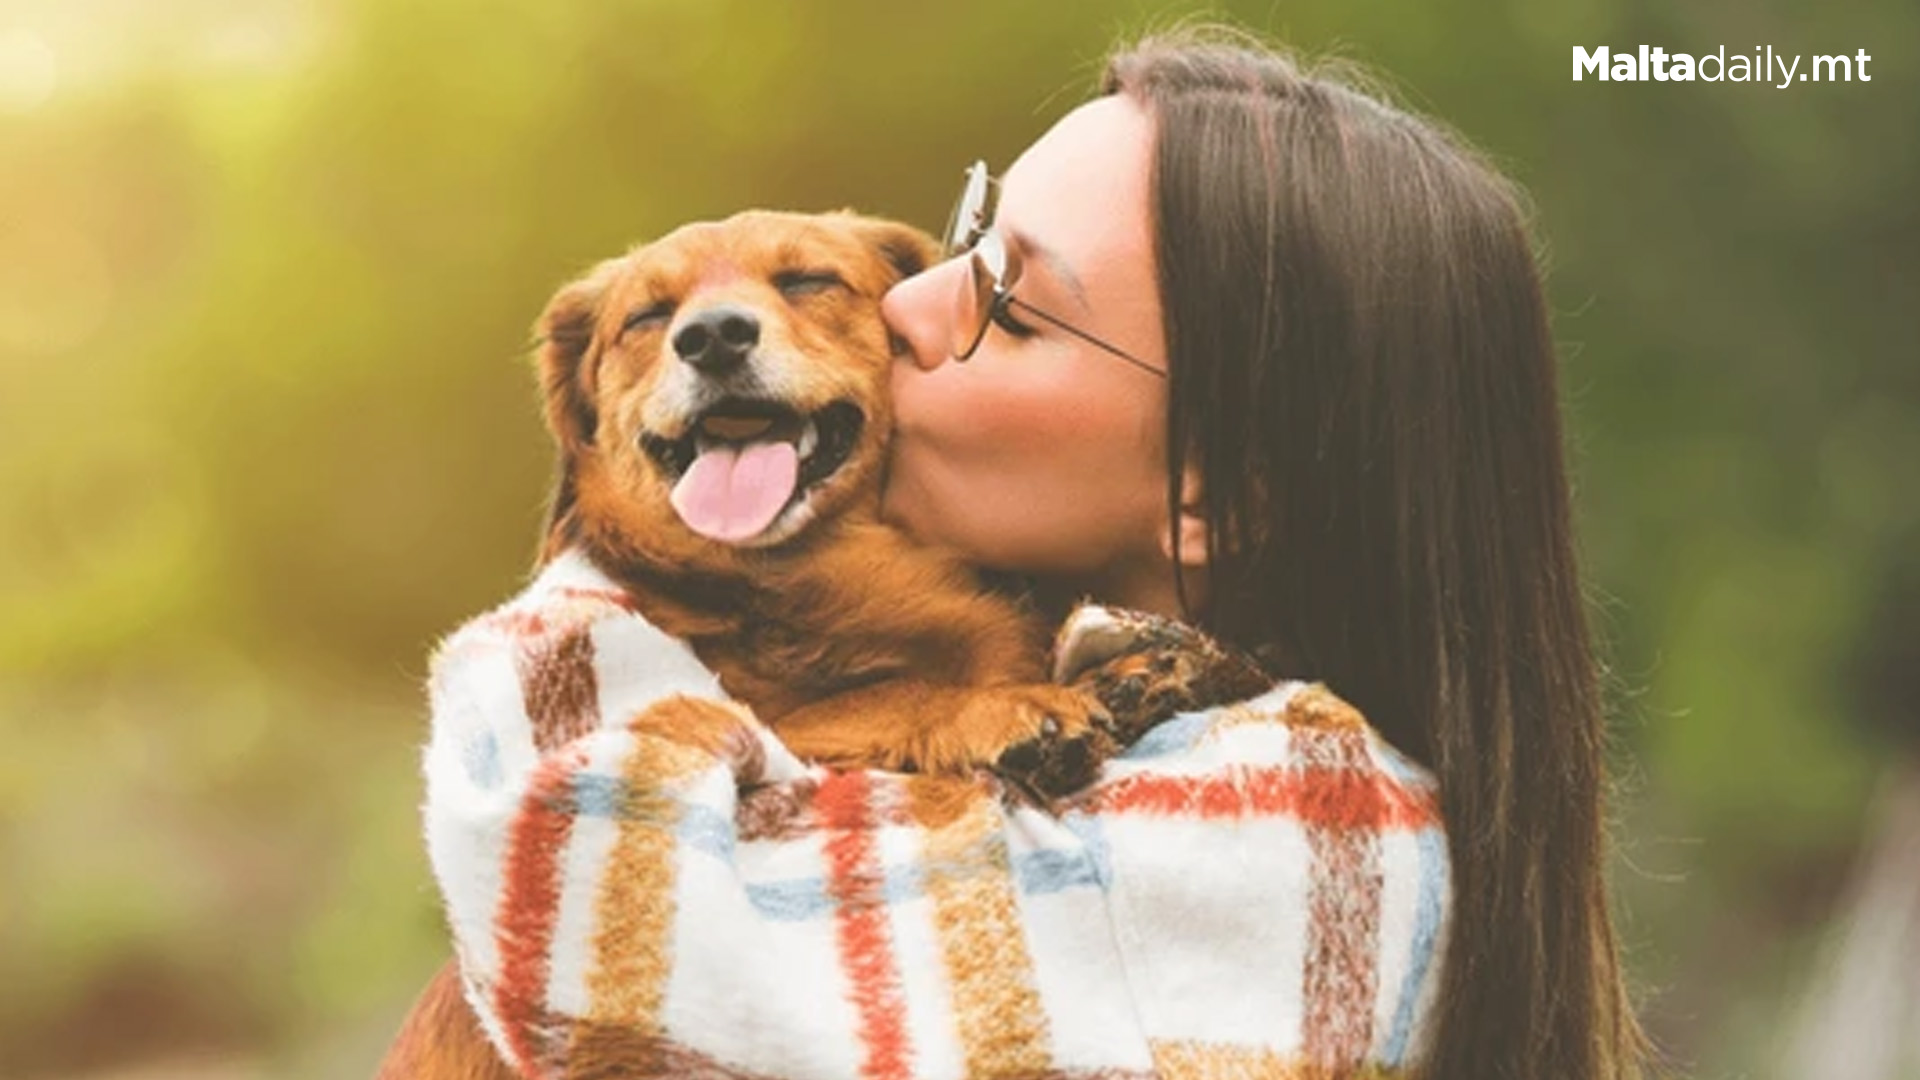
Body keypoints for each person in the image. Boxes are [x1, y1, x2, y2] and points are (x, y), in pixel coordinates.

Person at [399, 24, 1653, 1080]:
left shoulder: (1297, 827)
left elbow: (593, 877)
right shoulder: (1033, 707)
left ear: (1211, 496)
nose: (906, 303)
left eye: (1015, 301)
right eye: (972, 232)